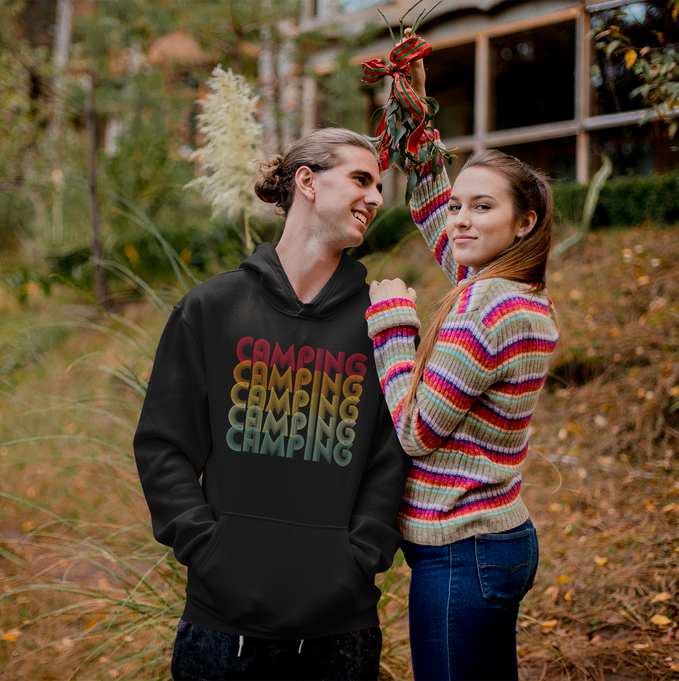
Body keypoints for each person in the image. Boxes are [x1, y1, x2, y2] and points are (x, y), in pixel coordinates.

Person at [133, 127, 411, 681]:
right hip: (219, 628)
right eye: (361, 179)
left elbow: (392, 455)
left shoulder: (382, 323)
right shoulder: (212, 308)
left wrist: (358, 559)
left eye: (380, 186)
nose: (376, 198)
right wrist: (208, 550)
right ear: (307, 181)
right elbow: (164, 446)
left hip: (340, 632)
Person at [364, 41, 559, 681]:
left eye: (483, 207)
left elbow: (416, 430)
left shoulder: (488, 308)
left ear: (524, 223)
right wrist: (415, 116)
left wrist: (394, 326)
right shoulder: (510, 290)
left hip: (463, 553)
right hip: (490, 542)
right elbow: (432, 211)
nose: (460, 221)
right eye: (460, 205)